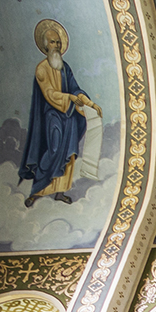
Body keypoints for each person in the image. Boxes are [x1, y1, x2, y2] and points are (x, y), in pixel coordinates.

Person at [22, 20, 100, 207]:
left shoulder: (65, 68)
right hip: (52, 117)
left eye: (58, 42)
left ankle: (60, 192)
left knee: (69, 154)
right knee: (54, 150)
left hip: (69, 117)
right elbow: (49, 94)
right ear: (44, 45)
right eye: (52, 42)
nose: (56, 45)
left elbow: (75, 88)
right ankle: (38, 190)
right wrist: (69, 99)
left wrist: (90, 104)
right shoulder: (42, 68)